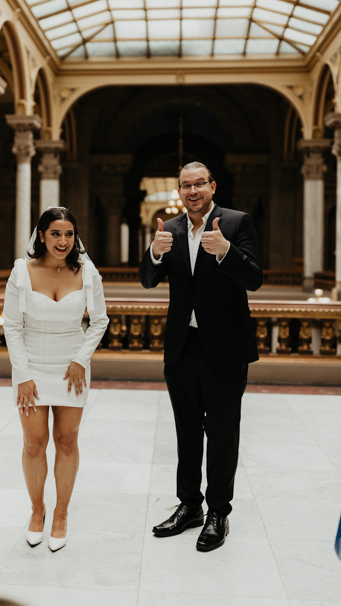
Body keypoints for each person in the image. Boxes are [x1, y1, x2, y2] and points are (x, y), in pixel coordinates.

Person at [139, 161, 262, 552]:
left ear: (212, 187)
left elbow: (254, 279)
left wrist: (226, 251)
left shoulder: (237, 223)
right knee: (187, 429)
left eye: (199, 184)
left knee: (223, 432)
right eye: (185, 186)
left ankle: (217, 512)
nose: (192, 191)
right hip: (182, 346)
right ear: (179, 191)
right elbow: (147, 279)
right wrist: (154, 255)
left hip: (225, 347)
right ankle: (189, 505)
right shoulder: (170, 230)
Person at [3, 207, 109, 552]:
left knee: (66, 439)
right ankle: (38, 511)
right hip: (31, 364)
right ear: (42, 235)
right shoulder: (22, 272)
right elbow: (12, 326)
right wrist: (22, 375)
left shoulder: (87, 272)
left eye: (69, 234)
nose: (63, 241)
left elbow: (99, 321)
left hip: (71, 366)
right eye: (55, 234)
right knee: (34, 442)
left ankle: (61, 515)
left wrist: (81, 360)